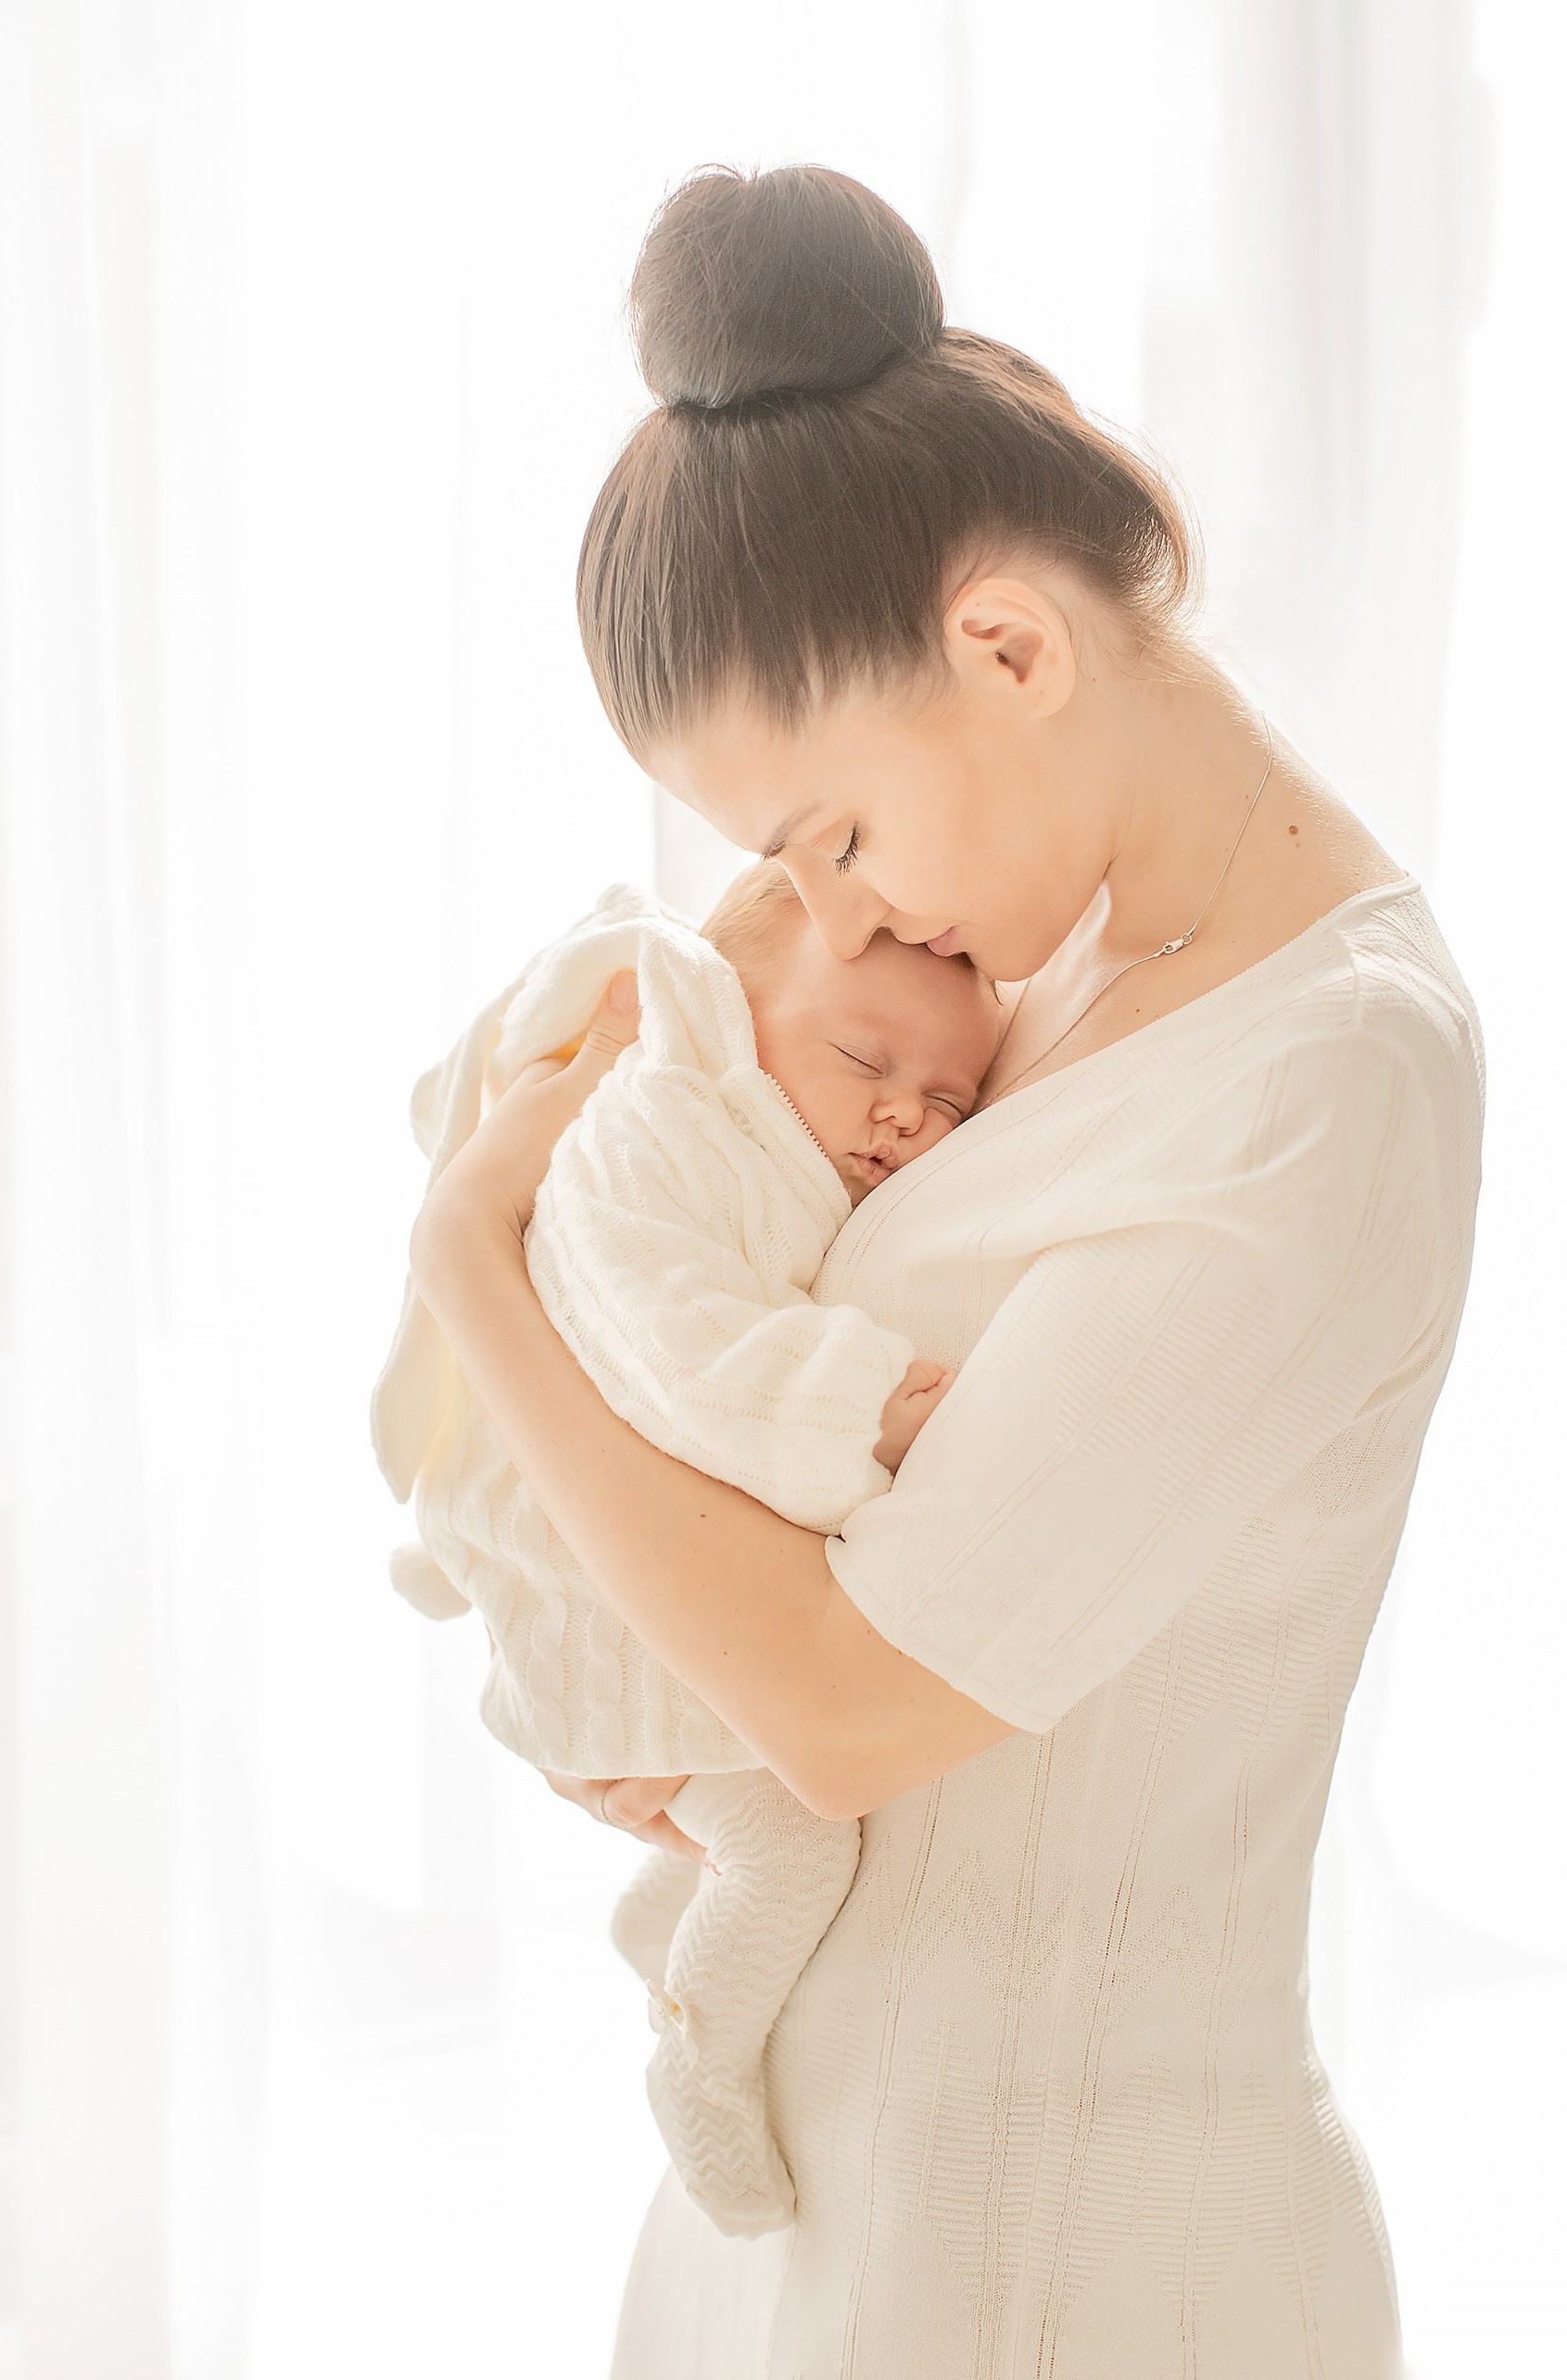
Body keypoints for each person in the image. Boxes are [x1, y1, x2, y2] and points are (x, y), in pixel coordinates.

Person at [407, 165, 1483, 2378]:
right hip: (803, 2208)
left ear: (1008, 646)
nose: (825, 914)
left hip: (1063, 2249)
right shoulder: (1044, 965)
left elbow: (846, 1703)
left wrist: (475, 1275)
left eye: (832, 837)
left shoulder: (1320, 1072)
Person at [371, 868, 998, 2237]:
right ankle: (699, 2055)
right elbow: (674, 1341)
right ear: (730, 1008)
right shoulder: (664, 1124)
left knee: (747, 1822)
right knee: (798, 1853)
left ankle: (667, 1916)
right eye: (864, 1059)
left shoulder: (771, 1147)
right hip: (592, 1577)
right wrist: (847, 1400)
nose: (908, 1110)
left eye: (952, 1100)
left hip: (636, 1559)